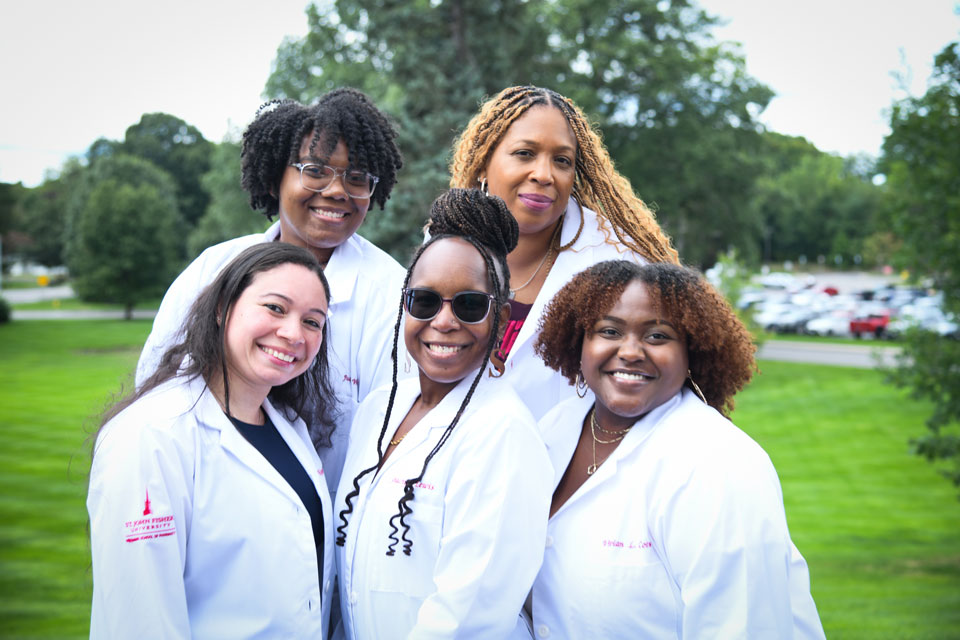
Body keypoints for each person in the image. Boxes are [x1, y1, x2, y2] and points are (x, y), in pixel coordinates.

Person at [528, 260, 825, 638]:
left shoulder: (720, 465)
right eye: (609, 330)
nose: (631, 351)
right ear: (578, 342)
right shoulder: (551, 431)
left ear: (692, 353)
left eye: (657, 336)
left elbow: (741, 626)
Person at [137, 87, 406, 495]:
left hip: (329, 532)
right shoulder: (212, 270)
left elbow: (394, 434)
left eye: (356, 178)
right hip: (208, 508)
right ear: (276, 174)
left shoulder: (393, 294)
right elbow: (156, 391)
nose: (337, 190)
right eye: (315, 170)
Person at [333, 189, 552, 639]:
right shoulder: (379, 408)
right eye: (426, 301)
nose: (444, 321)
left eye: (469, 305)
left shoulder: (503, 433)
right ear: (405, 305)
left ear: (501, 316)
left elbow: (468, 614)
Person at [88, 243, 338, 638]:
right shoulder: (150, 435)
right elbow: (140, 618)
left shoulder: (291, 428)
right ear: (223, 307)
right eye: (275, 308)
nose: (293, 333)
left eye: (313, 321)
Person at [449, 85, 679, 419]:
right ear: (483, 163)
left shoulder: (620, 265)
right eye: (525, 153)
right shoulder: (445, 246)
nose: (544, 175)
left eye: (561, 161)